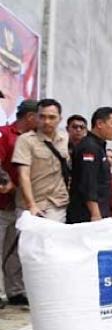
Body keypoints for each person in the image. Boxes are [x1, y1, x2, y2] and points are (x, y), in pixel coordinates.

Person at [0, 99, 37, 306]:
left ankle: (15, 291)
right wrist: (6, 181)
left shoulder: (36, 140)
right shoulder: (5, 134)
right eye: (39, 116)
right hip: (2, 201)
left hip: (20, 206)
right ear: (31, 117)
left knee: (14, 251)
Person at [12, 98, 69, 222]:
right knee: (30, 241)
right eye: (42, 117)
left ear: (60, 119)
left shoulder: (65, 140)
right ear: (36, 118)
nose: (47, 121)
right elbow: (24, 175)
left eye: (52, 117)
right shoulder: (25, 140)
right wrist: (31, 205)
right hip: (30, 205)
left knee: (52, 239)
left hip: (56, 204)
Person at [67, 107, 112, 223]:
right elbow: (88, 182)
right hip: (87, 214)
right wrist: (95, 214)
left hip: (101, 209)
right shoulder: (89, 147)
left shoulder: (99, 146)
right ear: (100, 123)